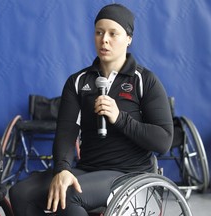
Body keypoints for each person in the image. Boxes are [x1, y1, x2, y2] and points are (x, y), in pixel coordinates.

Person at [9, 3, 173, 216]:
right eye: (99, 32)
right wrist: (63, 169)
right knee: (20, 192)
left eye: (113, 34)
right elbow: (66, 133)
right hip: (88, 169)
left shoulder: (145, 81)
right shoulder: (78, 82)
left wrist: (120, 118)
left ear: (129, 39)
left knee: (69, 196)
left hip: (130, 174)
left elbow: (164, 141)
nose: (104, 39)